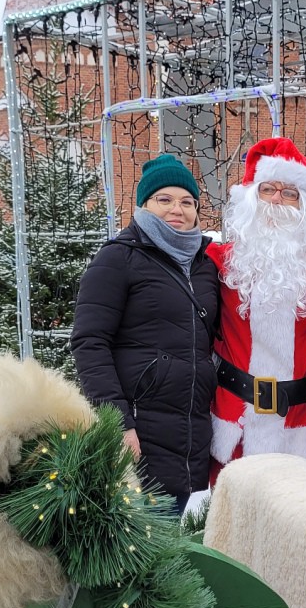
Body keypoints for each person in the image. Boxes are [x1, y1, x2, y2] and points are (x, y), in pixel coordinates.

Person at [70, 153, 220, 515]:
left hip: (192, 434)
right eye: (164, 199)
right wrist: (117, 421)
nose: (177, 210)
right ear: (144, 205)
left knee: (178, 546)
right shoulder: (118, 259)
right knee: (142, 548)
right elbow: (89, 342)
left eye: (187, 202)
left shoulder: (204, 265)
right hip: (140, 432)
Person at [206, 138, 306, 469]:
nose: (277, 201)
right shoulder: (217, 261)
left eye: (290, 193)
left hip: (302, 426)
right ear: (250, 199)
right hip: (234, 423)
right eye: (268, 189)